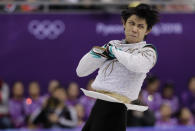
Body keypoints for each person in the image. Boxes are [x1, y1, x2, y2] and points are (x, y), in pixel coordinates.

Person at [76, 3, 159, 131]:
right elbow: (80, 71)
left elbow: (137, 65)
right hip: (99, 105)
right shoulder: (112, 45)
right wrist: (96, 52)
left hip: (117, 108)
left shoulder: (148, 51)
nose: (134, 29)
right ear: (124, 24)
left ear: (147, 30)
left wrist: (113, 51)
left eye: (140, 26)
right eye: (131, 23)